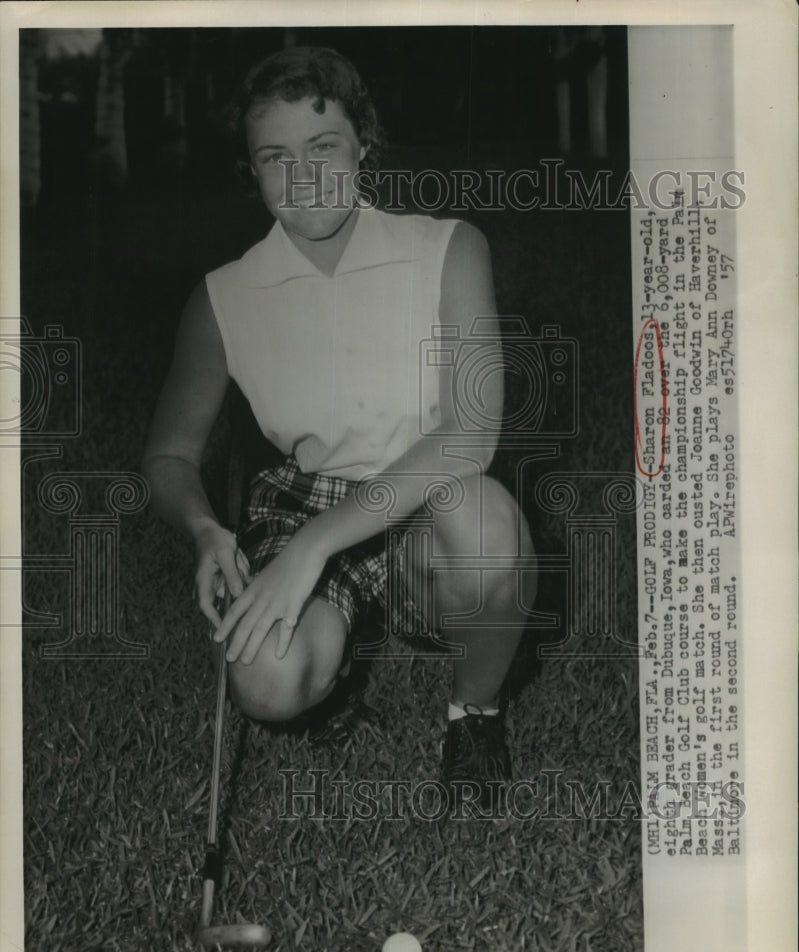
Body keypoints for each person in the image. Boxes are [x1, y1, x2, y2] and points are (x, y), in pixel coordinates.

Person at [142, 46, 535, 808]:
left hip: (428, 495)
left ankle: (474, 713)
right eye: (273, 157)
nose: (302, 174)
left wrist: (310, 552)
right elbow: (167, 454)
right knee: (265, 681)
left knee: (481, 521)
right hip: (305, 498)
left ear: (364, 145)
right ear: (250, 172)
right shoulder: (223, 297)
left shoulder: (447, 248)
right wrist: (204, 530)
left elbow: (468, 436)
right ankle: (334, 674)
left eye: (322, 146)